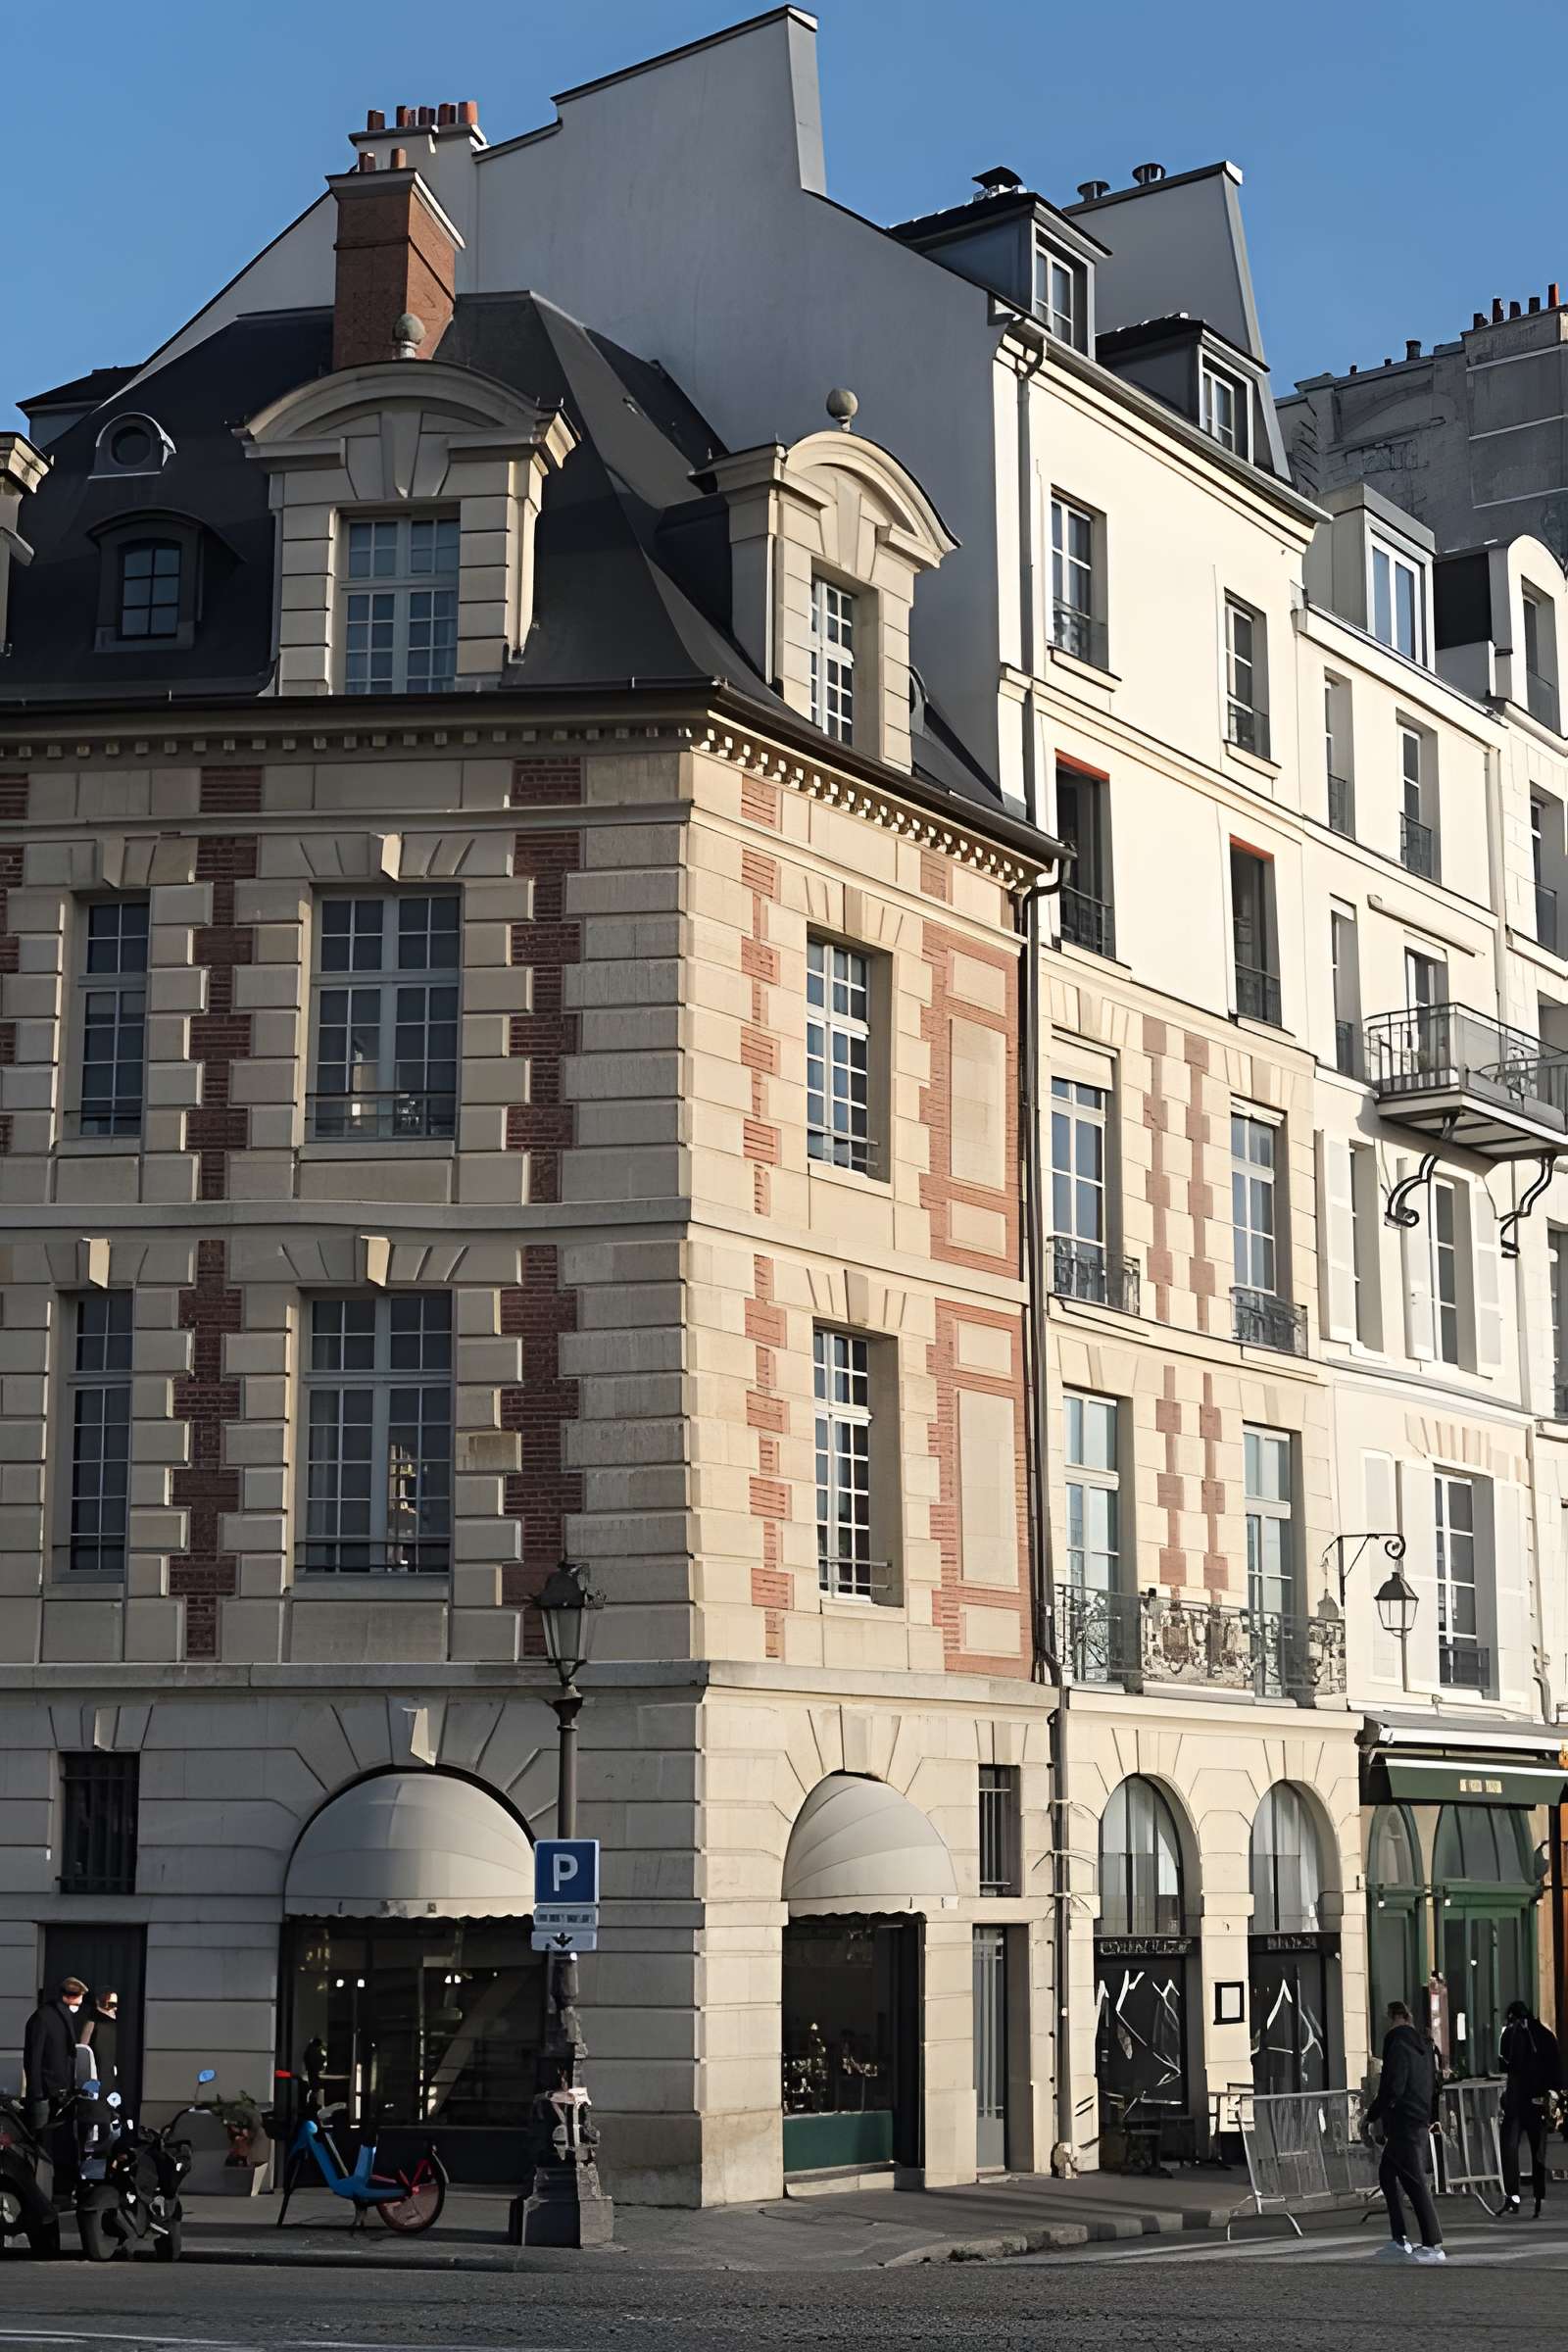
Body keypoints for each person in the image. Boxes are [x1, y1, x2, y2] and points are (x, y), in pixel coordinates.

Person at [1365, 1998, 1445, 2264]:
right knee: (1388, 2174)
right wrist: (1432, 2115)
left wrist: (1373, 2114)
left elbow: (1392, 2086)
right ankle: (1399, 2239)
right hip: (1418, 2118)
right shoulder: (1423, 2046)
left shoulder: (1397, 2044)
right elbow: (1434, 2084)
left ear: (1394, 2018)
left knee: (1415, 2182)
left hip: (1403, 2121)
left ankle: (1432, 2244)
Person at [23, 1977, 87, 2202]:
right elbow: (34, 2058)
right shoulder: (44, 2018)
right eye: (79, 2000)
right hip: (48, 2093)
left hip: (59, 2092)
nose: (79, 2005)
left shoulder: (58, 2016)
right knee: (43, 2145)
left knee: (60, 2142)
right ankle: (43, 2192)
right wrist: (36, 2092)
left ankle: (59, 2190)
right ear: (69, 1996)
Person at [1498, 1998, 1561, 2218]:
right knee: (1538, 2151)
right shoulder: (1545, 2035)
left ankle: (1513, 2197)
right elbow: (1557, 2069)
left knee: (1509, 2148)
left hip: (1517, 2102)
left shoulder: (1513, 2033)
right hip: (1538, 2101)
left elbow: (1506, 2061)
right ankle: (1538, 2198)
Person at [79, 1989, 119, 2102]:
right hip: (96, 2074)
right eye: (111, 2005)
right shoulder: (93, 2021)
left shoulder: (114, 2024)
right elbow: (83, 2049)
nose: (114, 2008)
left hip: (110, 2075)